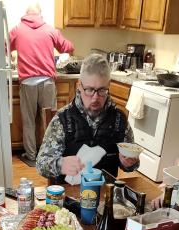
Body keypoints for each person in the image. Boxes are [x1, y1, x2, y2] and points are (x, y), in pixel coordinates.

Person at [36, 53, 140, 183]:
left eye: (101, 90)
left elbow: (132, 165)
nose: (95, 98)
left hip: (105, 191)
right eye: (89, 90)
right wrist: (60, 164)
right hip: (70, 193)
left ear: (109, 85)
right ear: (79, 85)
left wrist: (129, 163)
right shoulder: (62, 119)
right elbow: (41, 164)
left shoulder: (119, 120)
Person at [9, 3, 74, 167]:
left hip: (28, 83)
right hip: (47, 82)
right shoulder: (50, 30)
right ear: (40, 14)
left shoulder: (17, 29)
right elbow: (68, 47)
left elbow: (3, 46)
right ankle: (49, 155)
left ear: (26, 13)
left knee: (29, 122)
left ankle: (31, 156)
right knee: (50, 121)